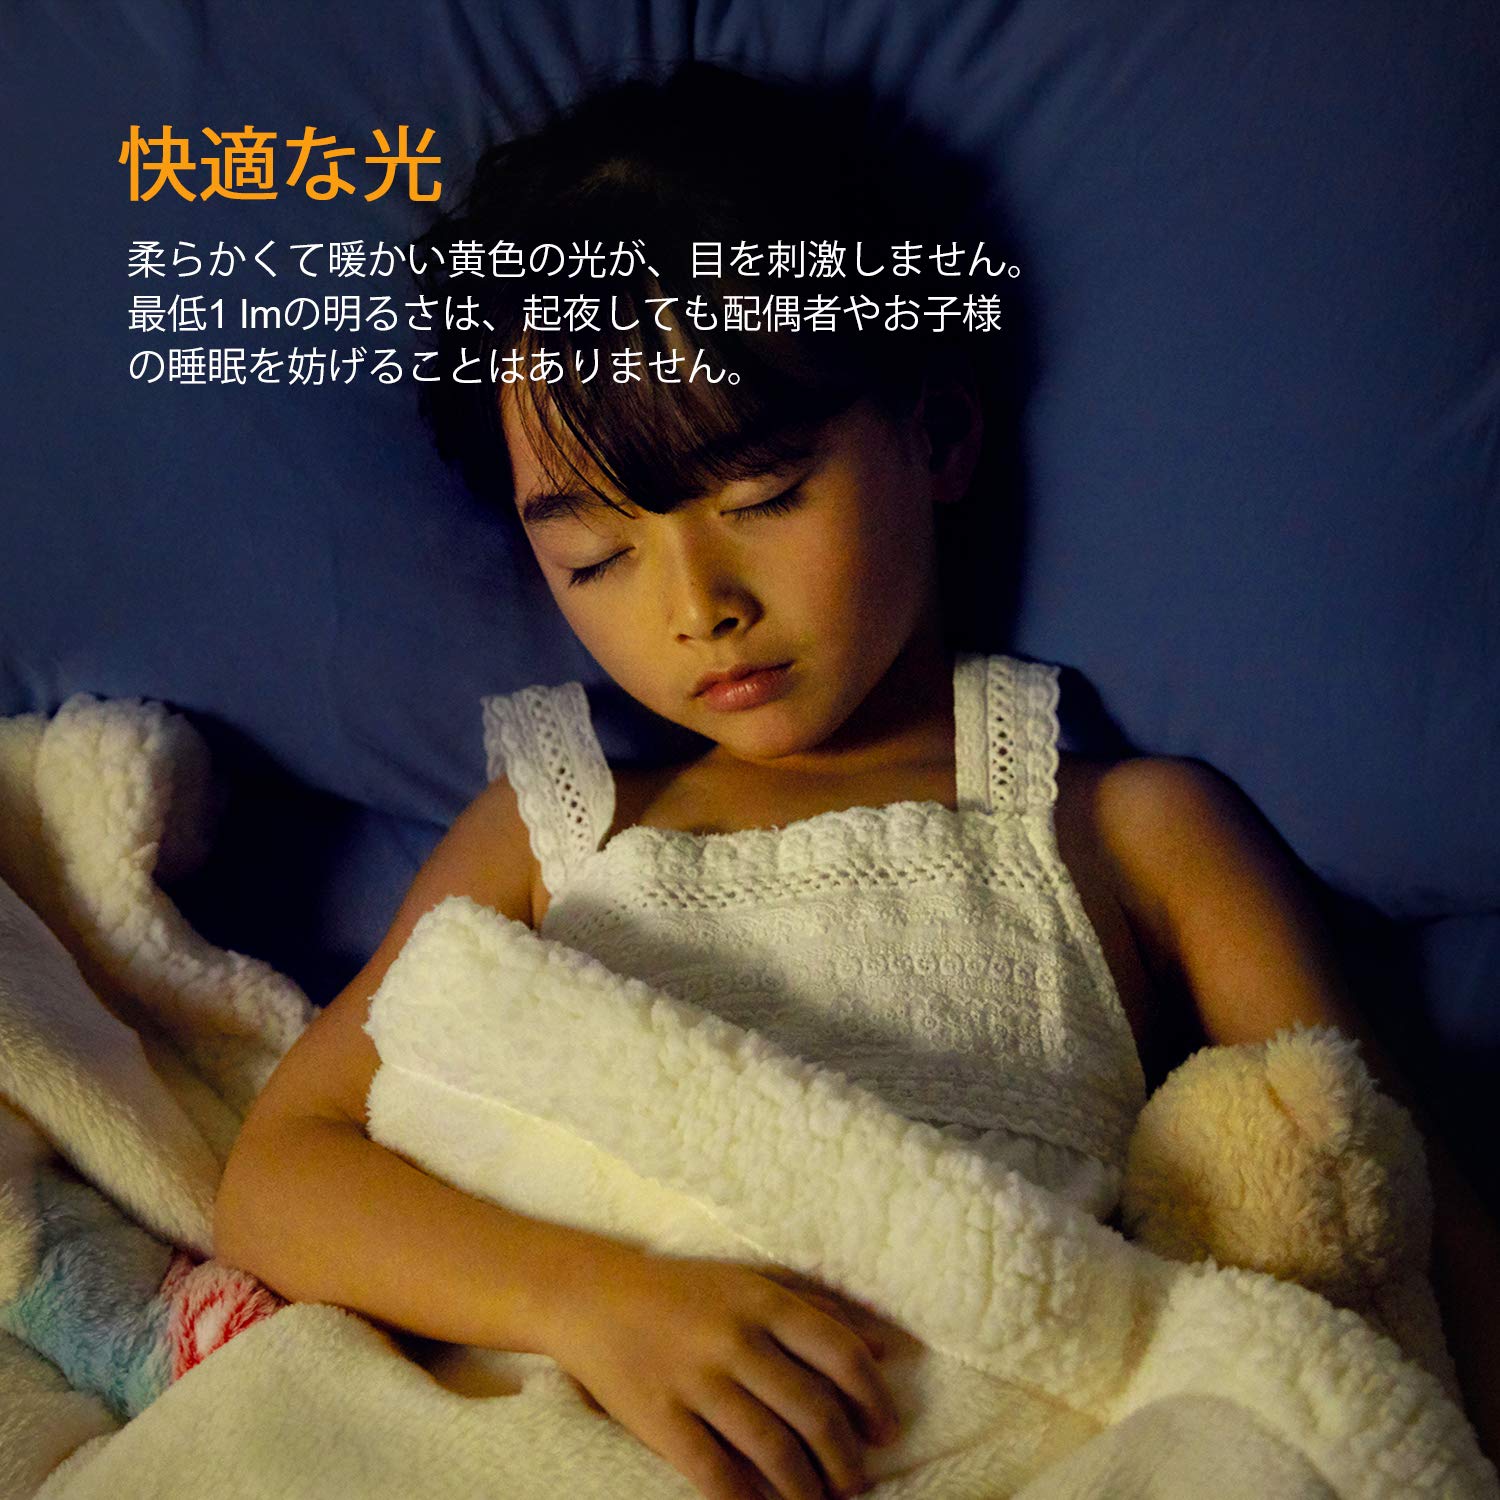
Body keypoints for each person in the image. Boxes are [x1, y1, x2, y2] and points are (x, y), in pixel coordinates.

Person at [214, 59, 1500, 1500]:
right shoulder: (552, 830)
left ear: (935, 435)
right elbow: (279, 1174)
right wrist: (593, 1300)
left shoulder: (1126, 829)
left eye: (763, 496)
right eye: (597, 555)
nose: (699, 605)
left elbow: (1389, 1206)